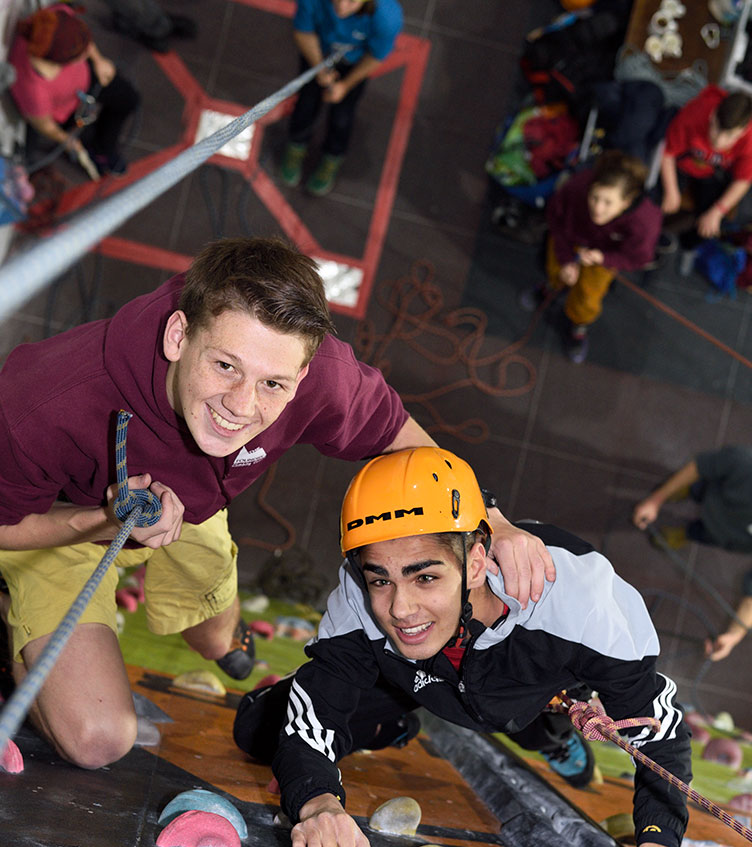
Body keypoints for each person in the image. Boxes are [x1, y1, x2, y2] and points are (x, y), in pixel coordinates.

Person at [0, 237, 553, 771]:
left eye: (272, 385)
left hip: (192, 513)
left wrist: (491, 522)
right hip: (61, 529)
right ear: (177, 336)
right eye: (224, 366)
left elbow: (403, 440)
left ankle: (219, 636)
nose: (239, 407)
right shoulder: (43, 397)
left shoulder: (319, 376)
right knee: (98, 741)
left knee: (216, 637)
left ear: (304, 376)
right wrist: (101, 519)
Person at [234, 447, 714, 847]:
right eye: (381, 579)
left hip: (529, 688)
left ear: (476, 561)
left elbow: (660, 732)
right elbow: (312, 713)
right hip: (415, 679)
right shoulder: (358, 596)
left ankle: (549, 735)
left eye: (425, 577)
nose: (400, 608)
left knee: (514, 711)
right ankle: (396, 723)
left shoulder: (581, 601)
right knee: (259, 728)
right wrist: (318, 802)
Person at [632, 447, 752, 661]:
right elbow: (700, 465)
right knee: (694, 485)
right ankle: (684, 491)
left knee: (701, 533)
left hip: (725, 537)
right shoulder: (746, 462)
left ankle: (686, 533)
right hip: (713, 496)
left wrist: (734, 636)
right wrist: (656, 499)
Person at [542, 150, 662, 364]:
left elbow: (638, 258)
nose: (597, 208)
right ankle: (551, 288)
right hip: (570, 240)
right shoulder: (576, 187)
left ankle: (578, 326)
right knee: (555, 269)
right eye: (594, 197)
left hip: (605, 256)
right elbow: (556, 218)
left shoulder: (644, 223)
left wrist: (604, 259)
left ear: (626, 202)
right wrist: (566, 259)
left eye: (608, 202)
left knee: (588, 295)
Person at [280, 0, 403, 196]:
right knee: (305, 104)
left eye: (352, 1)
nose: (341, 7)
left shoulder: (387, 17)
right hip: (318, 53)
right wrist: (319, 69)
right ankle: (297, 145)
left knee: (342, 117)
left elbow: (375, 56)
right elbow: (304, 32)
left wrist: (345, 86)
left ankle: (332, 157)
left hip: (352, 65)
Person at [8, 2, 140, 176]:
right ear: (57, 62)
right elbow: (45, 125)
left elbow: (81, 35)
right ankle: (96, 150)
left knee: (128, 99)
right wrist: (67, 140)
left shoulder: (53, 20)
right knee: (83, 135)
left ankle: (102, 149)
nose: (87, 54)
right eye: (79, 55)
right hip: (62, 112)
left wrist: (99, 61)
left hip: (82, 83)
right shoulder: (32, 91)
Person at [660, 87, 752, 277]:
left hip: (710, 174)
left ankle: (689, 245)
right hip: (682, 165)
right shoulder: (696, 112)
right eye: (716, 129)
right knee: (658, 200)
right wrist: (671, 189)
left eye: (729, 136)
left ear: (743, 131)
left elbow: (744, 178)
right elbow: (668, 153)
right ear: (713, 115)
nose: (720, 142)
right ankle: (656, 235)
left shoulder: (750, 138)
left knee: (713, 220)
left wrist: (717, 211)